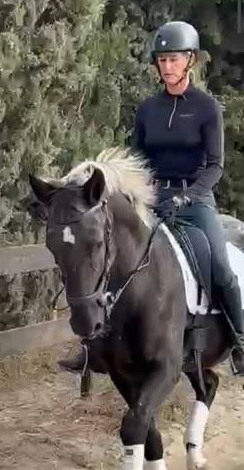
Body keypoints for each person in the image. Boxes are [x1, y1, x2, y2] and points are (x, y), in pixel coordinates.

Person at [59, 20, 244, 376]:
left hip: (196, 201)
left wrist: (189, 196)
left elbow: (216, 167)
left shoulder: (207, 108)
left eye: (174, 59)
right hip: (153, 200)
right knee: (109, 257)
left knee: (220, 268)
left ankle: (240, 341)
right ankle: (93, 345)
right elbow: (138, 162)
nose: (167, 66)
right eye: (162, 60)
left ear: (190, 60)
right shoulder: (147, 110)